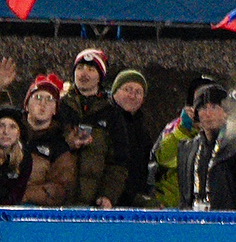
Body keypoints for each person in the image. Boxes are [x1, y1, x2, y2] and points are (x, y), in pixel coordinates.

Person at [177, 85, 236, 212]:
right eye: (203, 108)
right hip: (195, 223)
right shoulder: (188, 149)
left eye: (214, 107)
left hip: (229, 224)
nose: (208, 113)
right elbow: (185, 198)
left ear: (225, 111)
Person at [61, 50, 121, 207]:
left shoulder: (111, 114)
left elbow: (118, 163)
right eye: (80, 68)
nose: (84, 73)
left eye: (91, 69)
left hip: (94, 203)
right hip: (58, 201)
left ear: (100, 76)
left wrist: (108, 195)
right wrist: (67, 144)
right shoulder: (59, 106)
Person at [20, 75, 74, 207]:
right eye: (38, 97)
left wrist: (26, 194)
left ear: (55, 109)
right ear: (26, 105)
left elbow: (60, 190)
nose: (42, 104)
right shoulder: (7, 131)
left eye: (50, 99)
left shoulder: (59, 146)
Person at [106, 70, 153, 207]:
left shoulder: (143, 130)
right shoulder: (105, 121)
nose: (132, 95)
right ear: (115, 92)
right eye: (127, 89)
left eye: (138, 92)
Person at [0, 106, 29, 204]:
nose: (6, 132)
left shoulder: (25, 159)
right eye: (1, 126)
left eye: (12, 127)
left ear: (18, 133)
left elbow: (16, 196)